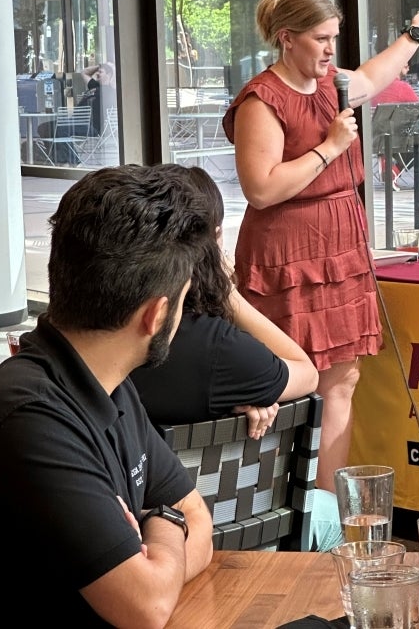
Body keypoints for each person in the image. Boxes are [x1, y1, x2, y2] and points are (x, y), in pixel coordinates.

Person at [222, 0, 419, 492]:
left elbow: (371, 76)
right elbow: (260, 189)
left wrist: (412, 37)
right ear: (286, 39)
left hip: (339, 240)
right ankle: (280, 509)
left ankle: (327, 517)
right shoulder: (263, 99)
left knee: (342, 379)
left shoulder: (332, 85)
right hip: (288, 247)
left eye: (334, 39)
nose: (329, 50)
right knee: (287, 379)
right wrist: (329, 148)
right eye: (321, 39)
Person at [0, 164, 214, 626]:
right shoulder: (29, 414)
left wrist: (155, 552)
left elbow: (200, 518)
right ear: (155, 316)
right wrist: (168, 524)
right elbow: (145, 607)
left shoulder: (110, 386)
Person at [131, 165, 342, 552]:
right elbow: (306, 373)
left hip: (142, 541)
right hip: (242, 536)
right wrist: (228, 294)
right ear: (213, 242)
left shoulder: (120, 343)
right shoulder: (226, 352)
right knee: (329, 510)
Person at [370, 62, 419, 180]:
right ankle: (394, 170)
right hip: (398, 138)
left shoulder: (376, 87)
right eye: (406, 65)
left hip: (375, 138)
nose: (409, 68)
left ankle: (387, 161)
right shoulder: (403, 87)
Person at [80, 61, 117, 136]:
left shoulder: (111, 91)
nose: (97, 73)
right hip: (79, 122)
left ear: (109, 75)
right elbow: (84, 72)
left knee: (57, 130)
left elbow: (116, 81)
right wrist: (99, 66)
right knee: (52, 126)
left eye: (100, 72)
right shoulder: (95, 85)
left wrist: (112, 69)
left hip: (91, 127)